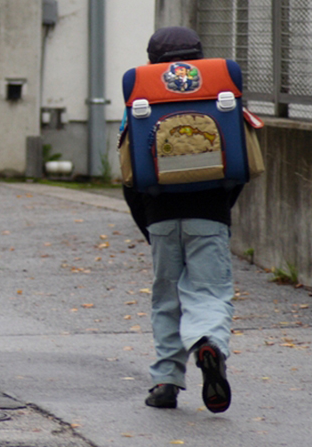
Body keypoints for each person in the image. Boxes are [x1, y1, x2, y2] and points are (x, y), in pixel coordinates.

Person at [123, 26, 238, 413]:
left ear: (153, 60)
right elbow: (241, 162)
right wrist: (222, 206)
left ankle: (166, 382)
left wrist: (148, 225)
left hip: (159, 214)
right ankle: (209, 344)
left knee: (166, 299)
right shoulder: (221, 91)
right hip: (210, 212)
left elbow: (129, 174)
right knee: (209, 291)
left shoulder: (141, 95)